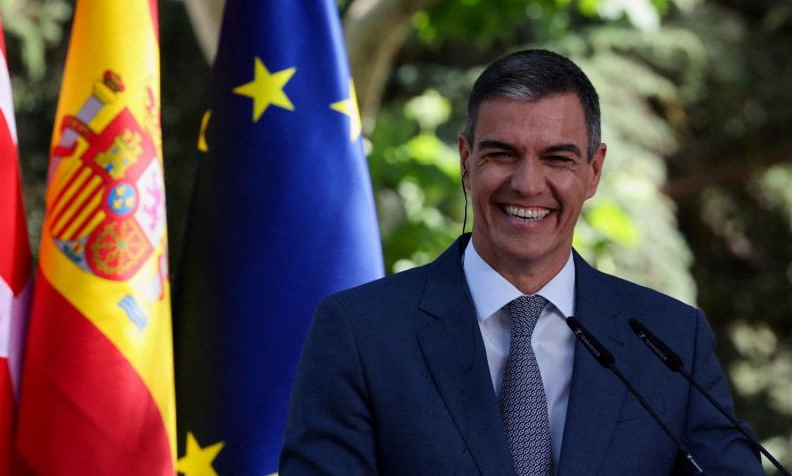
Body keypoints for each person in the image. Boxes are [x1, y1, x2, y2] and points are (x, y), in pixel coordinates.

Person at [280, 49, 764, 475]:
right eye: (502, 154)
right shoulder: (358, 332)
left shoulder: (671, 340)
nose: (528, 184)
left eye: (557, 158)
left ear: (594, 171)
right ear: (467, 161)